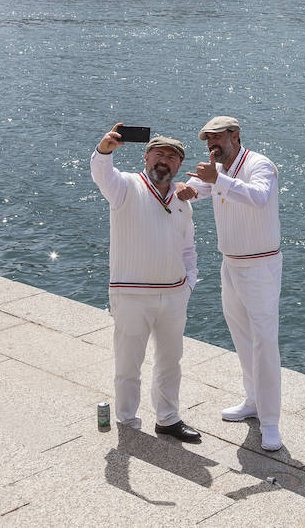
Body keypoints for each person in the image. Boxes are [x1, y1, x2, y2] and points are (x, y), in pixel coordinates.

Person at [176, 115, 283, 452]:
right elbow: (199, 190)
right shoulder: (219, 169)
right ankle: (252, 401)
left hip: (261, 266)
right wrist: (181, 191)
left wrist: (216, 181)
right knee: (242, 337)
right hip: (231, 264)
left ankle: (270, 423)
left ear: (235, 135)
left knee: (264, 343)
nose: (211, 145)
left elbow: (259, 197)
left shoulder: (259, 165)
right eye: (207, 140)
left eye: (216, 138)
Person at [90, 128, 201, 443]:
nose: (164, 161)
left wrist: (188, 283)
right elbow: (101, 173)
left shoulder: (181, 199)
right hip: (131, 294)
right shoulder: (124, 186)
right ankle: (127, 421)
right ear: (146, 157)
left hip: (174, 294)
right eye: (159, 154)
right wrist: (105, 149)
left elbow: (188, 247)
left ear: (178, 165)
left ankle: (168, 419)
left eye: (171, 157)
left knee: (170, 362)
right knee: (128, 363)